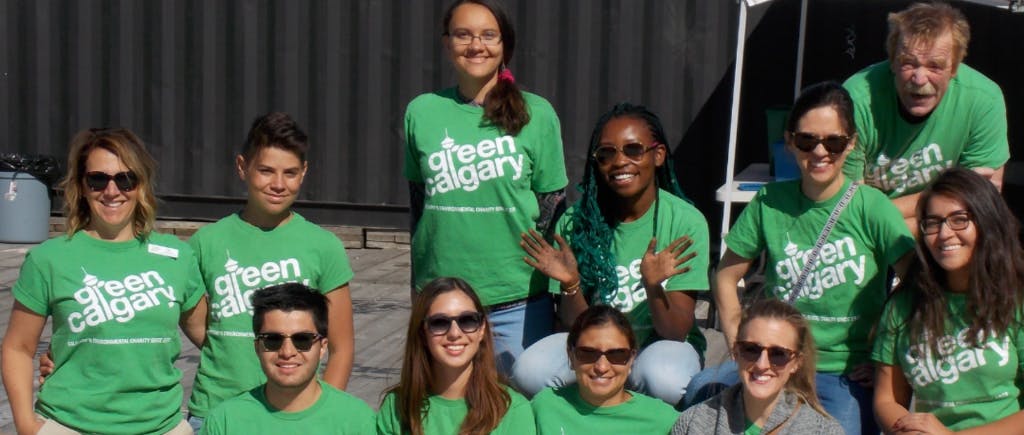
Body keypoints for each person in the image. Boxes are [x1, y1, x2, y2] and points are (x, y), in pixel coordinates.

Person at [690, 82, 916, 435]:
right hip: (772, 356)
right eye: (808, 140)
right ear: (791, 141)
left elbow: (917, 285)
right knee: (697, 398)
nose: (820, 151)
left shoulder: (872, 208)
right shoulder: (770, 201)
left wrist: (885, 360)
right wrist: (738, 339)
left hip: (841, 369)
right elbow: (725, 275)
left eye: (834, 141)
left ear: (852, 142)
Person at [1, 128, 204, 434]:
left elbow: (212, 338)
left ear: (141, 184)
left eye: (126, 179)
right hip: (71, 424)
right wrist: (27, 425)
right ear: (82, 186)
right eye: (98, 179)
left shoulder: (178, 257)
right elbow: (17, 347)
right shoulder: (50, 258)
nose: (112, 191)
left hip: (160, 426)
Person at [403, 0, 569, 373]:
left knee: (517, 415)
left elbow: (552, 206)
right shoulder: (422, 111)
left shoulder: (537, 113)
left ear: (504, 45)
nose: (475, 45)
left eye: (488, 35)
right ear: (447, 43)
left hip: (517, 300)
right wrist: (417, 288)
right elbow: (419, 206)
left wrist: (557, 294)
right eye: (463, 34)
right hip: (442, 300)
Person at [511, 103, 709, 407]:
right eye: (606, 153)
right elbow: (575, 328)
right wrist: (571, 284)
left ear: (658, 155)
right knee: (529, 370)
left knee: (666, 378)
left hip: (657, 345)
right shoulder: (576, 222)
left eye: (633, 150)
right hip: (595, 347)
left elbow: (676, 331)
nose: (619, 161)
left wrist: (653, 287)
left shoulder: (685, 221)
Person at [185, 112, 357, 431]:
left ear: (303, 173)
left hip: (297, 415)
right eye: (266, 171)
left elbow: (341, 346)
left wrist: (322, 413)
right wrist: (227, 348)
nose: (278, 184)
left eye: (290, 173)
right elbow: (195, 319)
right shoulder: (205, 242)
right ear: (242, 167)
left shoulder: (323, 246)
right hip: (215, 409)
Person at [873, 167, 1024, 433]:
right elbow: (887, 400)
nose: (943, 234)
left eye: (959, 219)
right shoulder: (904, 305)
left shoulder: (1016, 297)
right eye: (932, 223)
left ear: (986, 222)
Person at [843, 2, 1009, 233]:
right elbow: (850, 210)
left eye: (935, 66)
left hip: (947, 232)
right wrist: (948, 195)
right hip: (870, 234)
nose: (919, 78)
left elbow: (979, 204)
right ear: (892, 61)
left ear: (954, 67)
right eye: (908, 63)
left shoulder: (983, 99)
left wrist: (887, 215)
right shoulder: (856, 100)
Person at [200, 283, 374, 434]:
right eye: (273, 339)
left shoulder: (358, 422)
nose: (287, 351)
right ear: (257, 347)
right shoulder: (224, 422)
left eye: (302, 339)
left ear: (322, 347)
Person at [376, 277, 536, 435]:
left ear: (481, 330)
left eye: (467, 320)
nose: (454, 333)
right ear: (422, 333)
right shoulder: (396, 407)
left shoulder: (511, 409)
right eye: (439, 322)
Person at [673, 300, 843, 434]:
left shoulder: (824, 431)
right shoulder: (694, 423)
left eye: (778, 354)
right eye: (751, 350)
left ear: (797, 363)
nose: (762, 364)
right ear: (736, 352)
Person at [530, 305, 679, 435]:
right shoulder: (544, 407)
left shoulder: (663, 420)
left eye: (617, 354)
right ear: (571, 356)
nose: (602, 367)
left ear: (632, 359)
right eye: (588, 353)